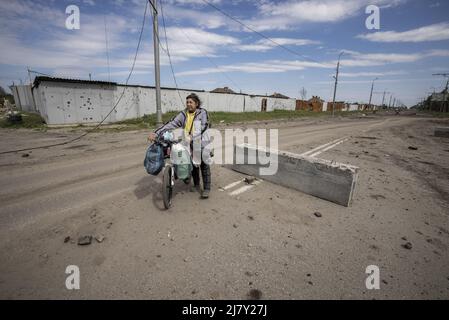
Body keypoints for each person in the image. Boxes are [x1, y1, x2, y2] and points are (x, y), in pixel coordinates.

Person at [148, 93, 211, 199]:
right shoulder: (183, 114)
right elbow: (171, 123)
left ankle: (206, 189)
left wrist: (193, 136)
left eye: (191, 102)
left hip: (201, 140)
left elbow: (204, 125)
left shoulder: (202, 112)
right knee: (193, 163)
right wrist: (156, 133)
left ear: (196, 103)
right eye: (187, 102)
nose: (188, 104)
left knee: (203, 164)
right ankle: (195, 184)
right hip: (187, 141)